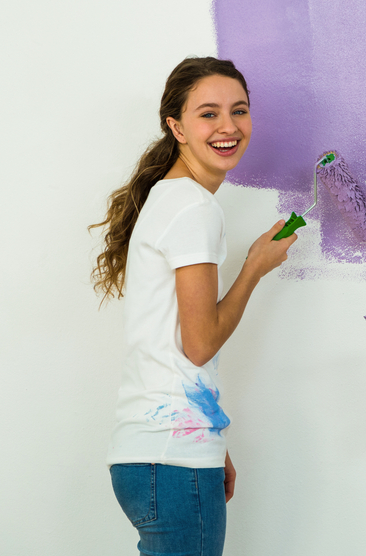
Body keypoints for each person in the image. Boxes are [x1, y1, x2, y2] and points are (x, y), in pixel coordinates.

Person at [91, 57, 297, 556]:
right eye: (209, 114)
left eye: (239, 110)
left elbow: (173, 350)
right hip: (170, 460)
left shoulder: (172, 198)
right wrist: (253, 268)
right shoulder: (192, 207)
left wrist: (211, 440)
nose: (228, 127)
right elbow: (199, 344)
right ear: (176, 126)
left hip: (155, 455)